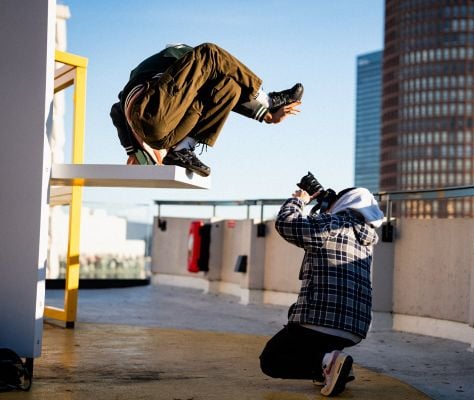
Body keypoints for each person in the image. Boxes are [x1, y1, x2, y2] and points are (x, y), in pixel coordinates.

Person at [259, 176, 384, 397]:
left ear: (345, 203)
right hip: (354, 329)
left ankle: (328, 364)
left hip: (323, 320)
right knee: (296, 315)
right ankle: (331, 367)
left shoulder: (334, 223)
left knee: (271, 361)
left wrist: (298, 200)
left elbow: (287, 224)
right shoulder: (366, 239)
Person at [110, 42, 303, 176]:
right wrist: (267, 104)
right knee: (210, 52)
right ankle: (268, 99)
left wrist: (267, 117)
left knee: (230, 87)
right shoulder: (182, 57)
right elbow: (210, 58)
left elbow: (116, 110)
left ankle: (183, 149)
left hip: (169, 136)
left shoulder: (184, 84)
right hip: (151, 114)